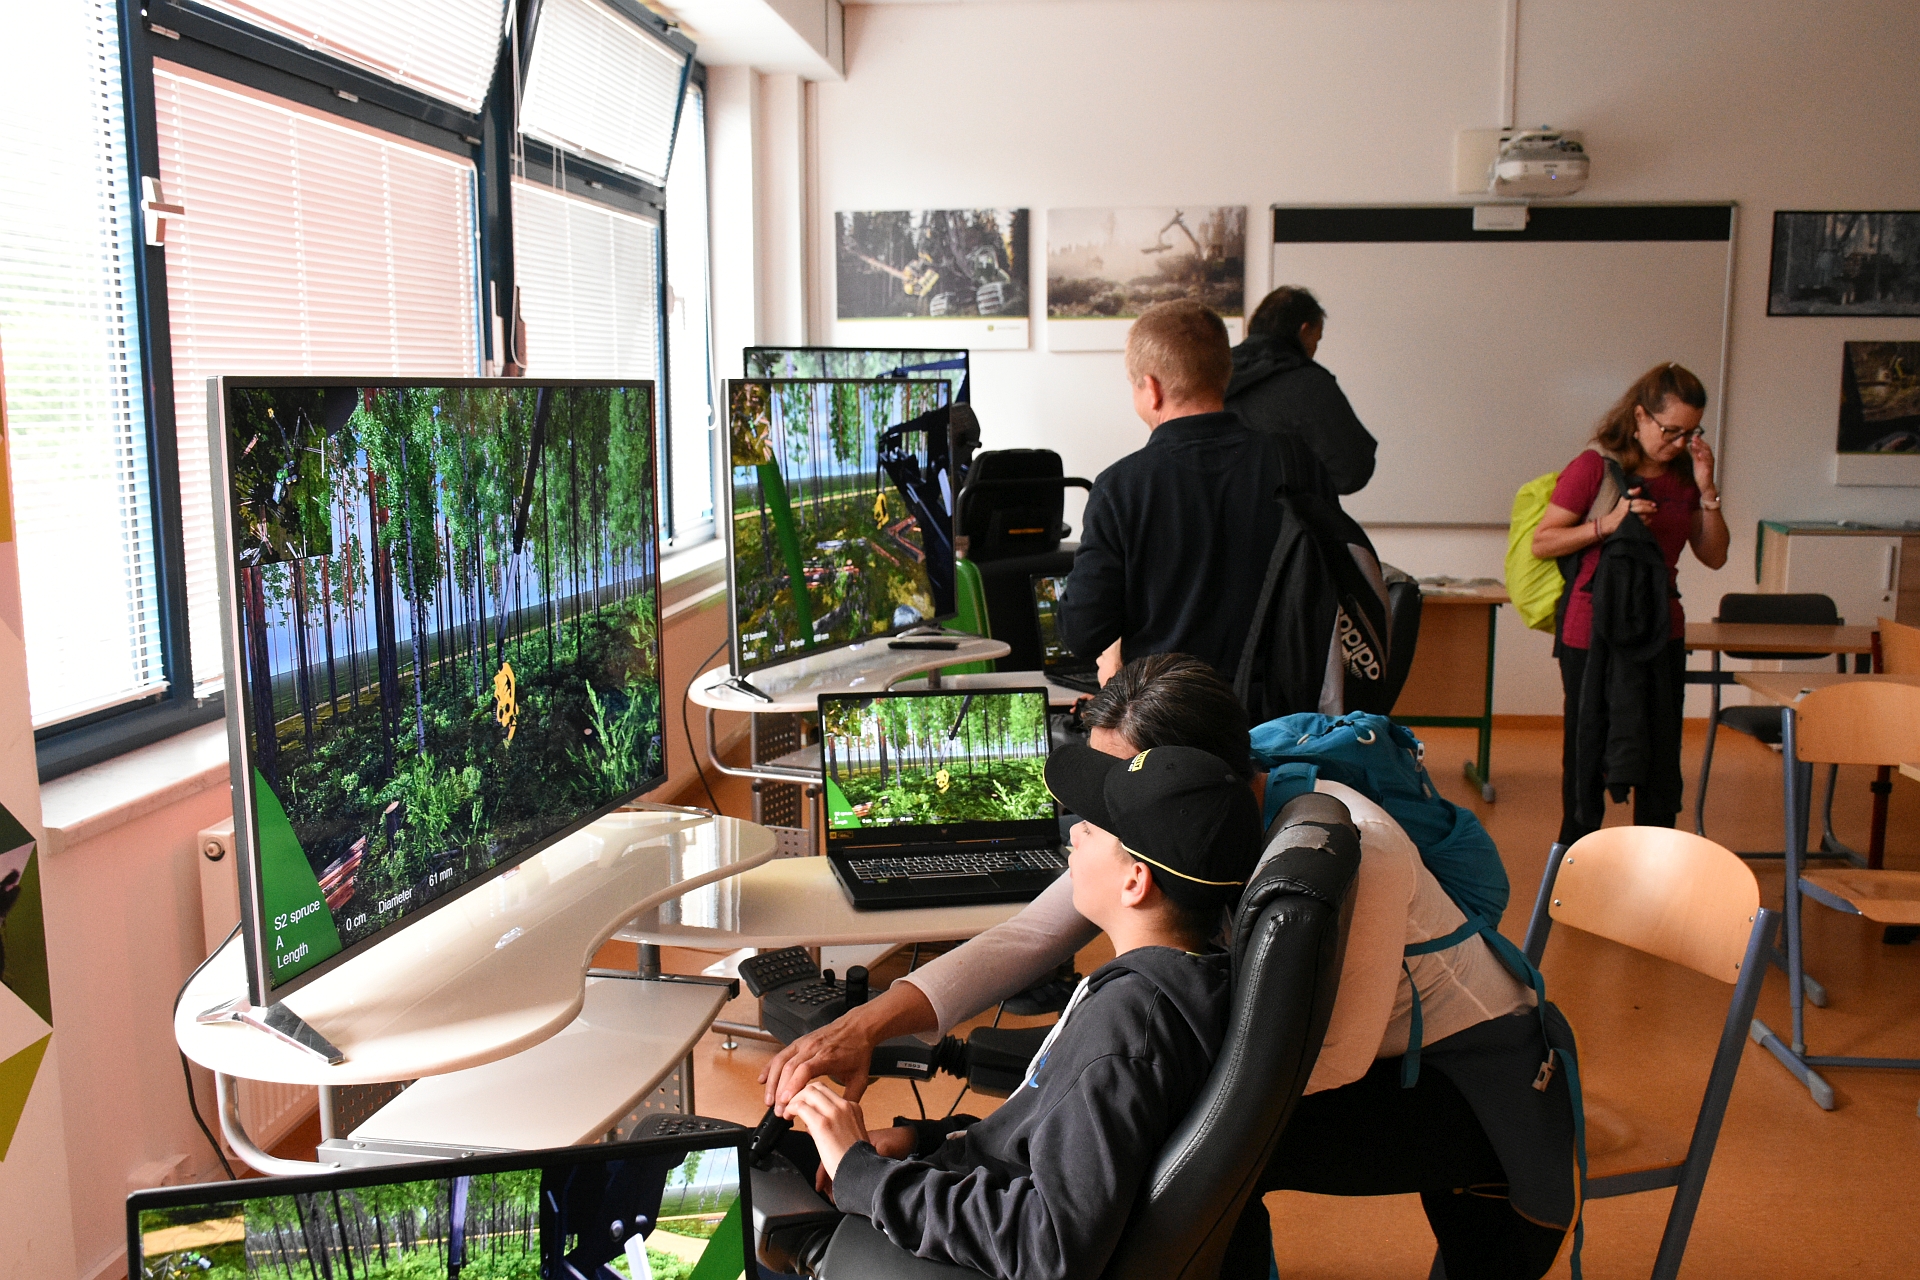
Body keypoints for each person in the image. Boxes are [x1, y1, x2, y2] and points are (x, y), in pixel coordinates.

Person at [764, 654, 1579, 1279]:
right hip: (1316, 1053)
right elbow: (1033, 933)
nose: (1081, 824)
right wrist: (868, 1031)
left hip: (1461, 1075)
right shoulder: (1181, 840)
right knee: (1146, 1131)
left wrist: (1121, 1082)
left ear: (1185, 787)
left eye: (1111, 796)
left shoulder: (1349, 848)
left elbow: (1322, 1061)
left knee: (1201, 1154)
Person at [780, 744, 1261, 1280]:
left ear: (1135, 883)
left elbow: (1048, 1243)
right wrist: (925, 1141)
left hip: (979, 1250)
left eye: (1093, 827)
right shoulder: (1182, 986)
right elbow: (1050, 1143)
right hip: (964, 1191)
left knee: (763, 1197)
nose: (1074, 833)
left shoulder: (1125, 1032)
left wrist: (863, 1175)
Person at [1059, 298, 1332, 685]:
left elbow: (1082, 634)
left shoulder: (1121, 487)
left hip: (1167, 713)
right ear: (1224, 374)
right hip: (1287, 711)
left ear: (1152, 390)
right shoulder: (1298, 465)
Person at [1530, 362, 1728, 847]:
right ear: (1640, 416)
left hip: (1661, 631)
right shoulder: (1594, 468)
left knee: (1659, 760)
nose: (1678, 443)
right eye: (1669, 430)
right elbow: (1544, 541)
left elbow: (1714, 555)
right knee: (1588, 758)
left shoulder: (1684, 477)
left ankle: (1652, 867)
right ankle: (1577, 861)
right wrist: (1609, 523)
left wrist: (1707, 490)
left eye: (1690, 432)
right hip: (1590, 633)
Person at [1225, 286, 1378, 495]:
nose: (1315, 349)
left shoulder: (1211, 377)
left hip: (1220, 513)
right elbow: (1351, 473)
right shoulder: (1310, 385)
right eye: (1317, 339)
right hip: (1287, 513)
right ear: (1305, 330)